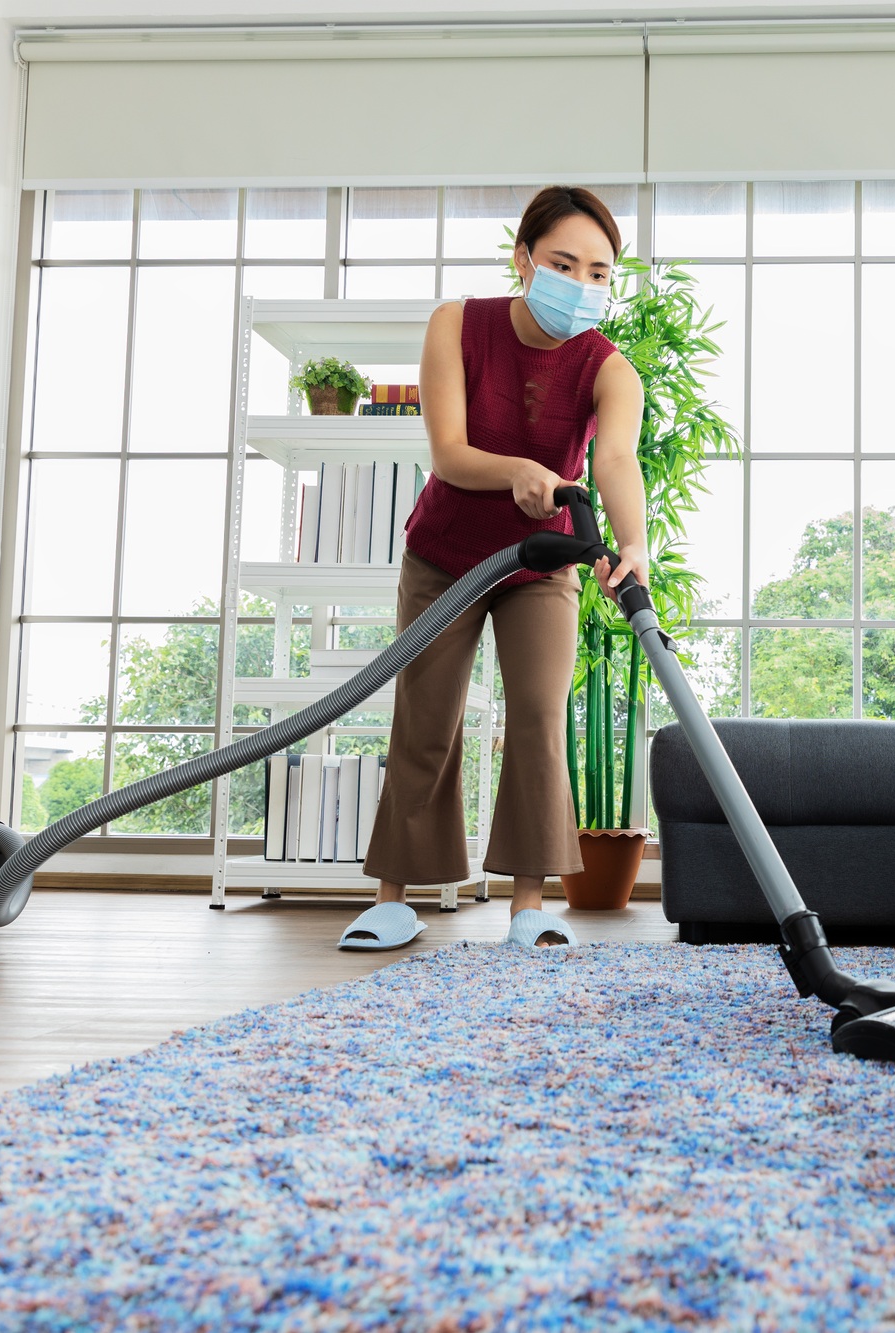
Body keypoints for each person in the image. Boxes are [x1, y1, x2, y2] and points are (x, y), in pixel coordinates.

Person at [339, 186, 646, 951]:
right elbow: (449, 451)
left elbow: (615, 461)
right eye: (563, 264)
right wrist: (519, 468)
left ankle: (529, 908)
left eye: (600, 273)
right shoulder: (458, 324)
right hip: (445, 556)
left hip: (541, 563)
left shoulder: (611, 369)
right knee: (427, 718)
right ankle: (394, 900)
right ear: (523, 259)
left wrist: (632, 543)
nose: (581, 286)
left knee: (539, 718)